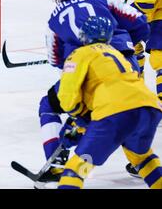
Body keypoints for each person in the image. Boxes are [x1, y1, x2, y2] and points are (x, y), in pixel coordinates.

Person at [37, 0, 150, 187]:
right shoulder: (104, 0)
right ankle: (140, 161)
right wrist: (129, 46)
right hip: (126, 65)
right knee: (125, 110)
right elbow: (140, 22)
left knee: (48, 106)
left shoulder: (54, 19)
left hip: (87, 72)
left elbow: (56, 60)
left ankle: (56, 164)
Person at [53, 16, 162, 189]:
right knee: (142, 158)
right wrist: (83, 126)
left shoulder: (78, 54)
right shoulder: (116, 53)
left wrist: (78, 119)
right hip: (149, 107)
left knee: (77, 167)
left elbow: (67, 96)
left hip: (115, 113)